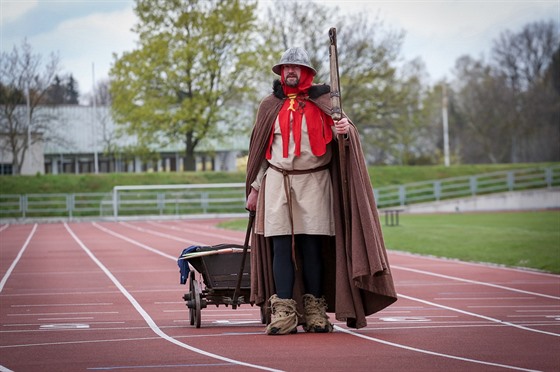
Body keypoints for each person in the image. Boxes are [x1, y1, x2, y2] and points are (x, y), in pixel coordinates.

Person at [245, 47, 397, 335]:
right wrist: (254, 189)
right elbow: (263, 153)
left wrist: (345, 129)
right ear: (280, 72)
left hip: (315, 182)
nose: (290, 71)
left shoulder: (327, 102)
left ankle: (315, 311)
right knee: (280, 247)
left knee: (311, 246)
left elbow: (346, 134)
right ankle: (284, 312)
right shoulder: (269, 106)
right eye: (286, 67)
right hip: (278, 180)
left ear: (307, 73)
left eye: (296, 67)